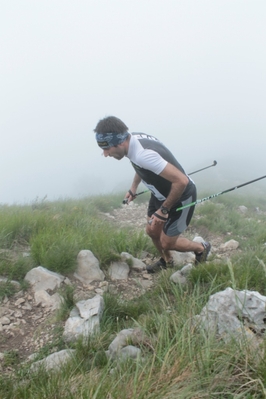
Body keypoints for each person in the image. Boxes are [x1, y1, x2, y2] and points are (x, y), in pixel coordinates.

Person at [94, 116, 211, 273]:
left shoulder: (144, 154)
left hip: (181, 196)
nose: (106, 154)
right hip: (159, 193)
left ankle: (201, 248)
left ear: (120, 142)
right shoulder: (131, 141)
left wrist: (163, 210)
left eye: (107, 148)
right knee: (152, 231)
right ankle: (167, 261)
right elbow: (140, 167)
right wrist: (133, 187)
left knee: (167, 243)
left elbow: (181, 181)